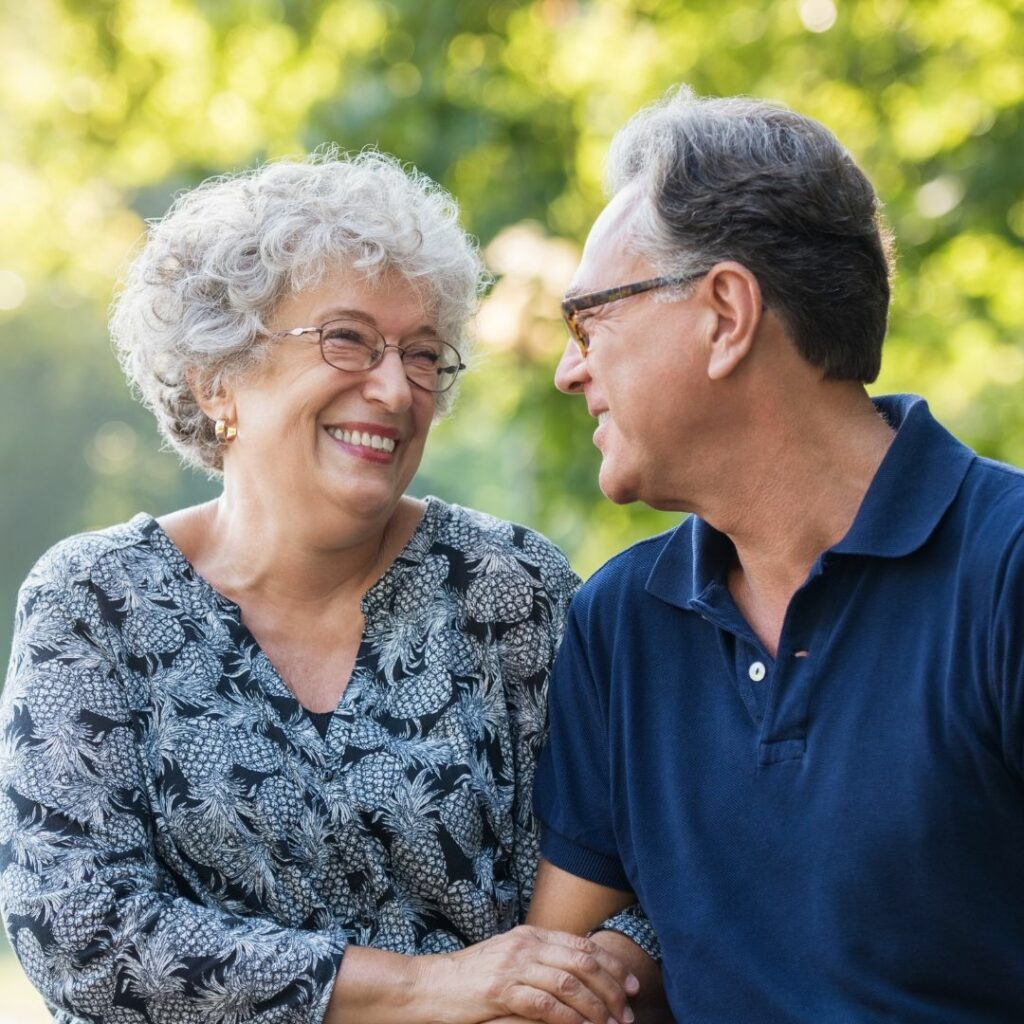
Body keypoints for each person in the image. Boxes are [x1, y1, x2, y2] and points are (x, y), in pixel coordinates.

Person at [0, 150, 660, 1024]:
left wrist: (584, 980)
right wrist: (435, 989)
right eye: (347, 339)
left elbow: (654, 869)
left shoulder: (513, 588)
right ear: (217, 378)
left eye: (423, 354)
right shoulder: (94, 601)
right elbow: (80, 930)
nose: (395, 388)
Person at [529, 86, 1024, 1023]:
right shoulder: (620, 623)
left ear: (725, 314)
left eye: (591, 319)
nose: (570, 369)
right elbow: (556, 985)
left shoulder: (1007, 572)